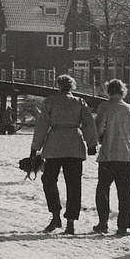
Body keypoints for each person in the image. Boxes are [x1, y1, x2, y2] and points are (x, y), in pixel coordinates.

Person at [31, 74, 98, 235]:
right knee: (74, 185)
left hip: (54, 146)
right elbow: (89, 123)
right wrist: (91, 144)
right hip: (75, 146)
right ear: (72, 87)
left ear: (58, 86)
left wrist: (35, 148)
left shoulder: (50, 102)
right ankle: (71, 222)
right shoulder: (80, 102)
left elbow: (41, 126)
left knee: (49, 180)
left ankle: (55, 216)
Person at [94, 78, 130, 236]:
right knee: (125, 192)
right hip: (126, 155)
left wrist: (97, 141)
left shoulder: (105, 106)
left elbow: (98, 127)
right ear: (122, 92)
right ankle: (123, 226)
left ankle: (103, 222)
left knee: (103, 189)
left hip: (108, 154)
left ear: (108, 91)